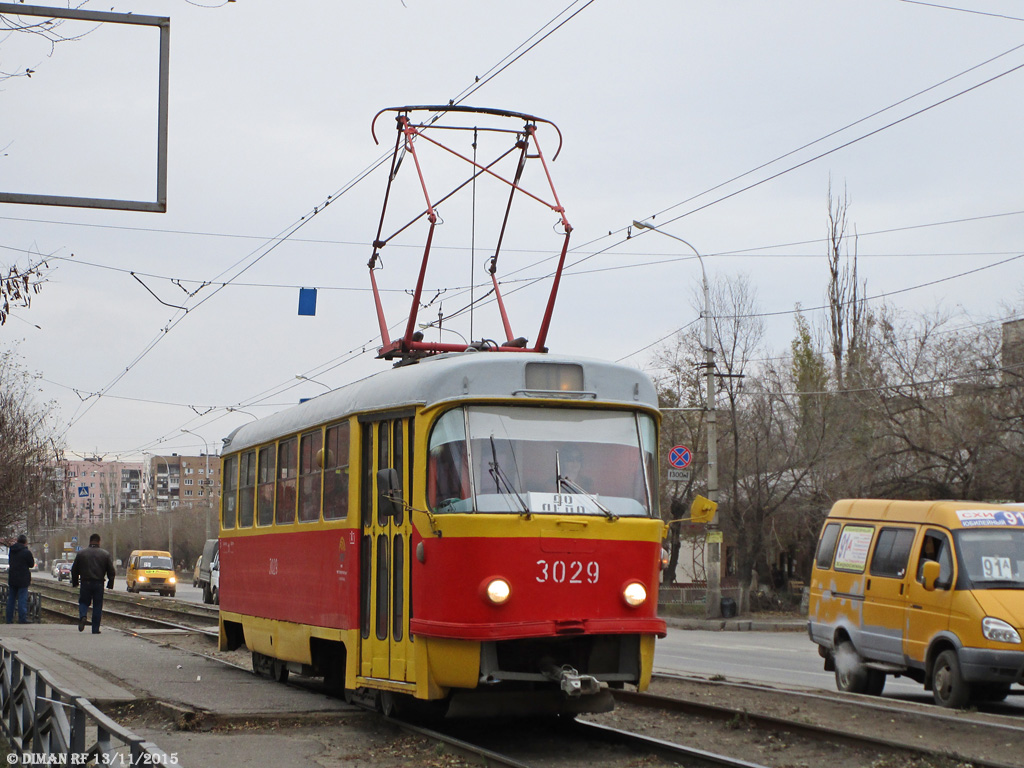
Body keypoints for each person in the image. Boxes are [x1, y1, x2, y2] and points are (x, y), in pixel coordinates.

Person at [70, 533, 115, 634]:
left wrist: (75, 582)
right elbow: (111, 571)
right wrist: (110, 584)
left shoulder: (81, 553)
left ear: (90, 541)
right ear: (99, 541)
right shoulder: (105, 554)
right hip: (99, 583)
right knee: (97, 605)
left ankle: (83, 616)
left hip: (85, 582)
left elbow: (74, 570)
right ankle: (95, 629)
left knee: (83, 602)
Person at [6, 534, 35, 624]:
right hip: (23, 578)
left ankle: (9, 619)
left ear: (17, 541)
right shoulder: (26, 552)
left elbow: (10, 562)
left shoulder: (12, 550)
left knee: (11, 598)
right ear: (25, 543)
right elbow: (31, 564)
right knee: (22, 598)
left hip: (12, 577)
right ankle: (22, 618)